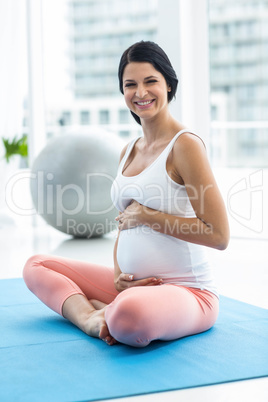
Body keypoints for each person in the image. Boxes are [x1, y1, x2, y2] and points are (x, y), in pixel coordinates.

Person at [23, 41, 229, 348]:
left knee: (127, 316)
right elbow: (124, 225)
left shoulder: (185, 145)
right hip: (131, 287)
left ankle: (112, 312)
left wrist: (148, 215)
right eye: (130, 84)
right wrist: (119, 275)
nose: (141, 93)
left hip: (188, 291)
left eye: (151, 82)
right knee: (36, 266)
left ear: (169, 86)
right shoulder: (128, 151)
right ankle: (90, 318)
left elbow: (218, 235)